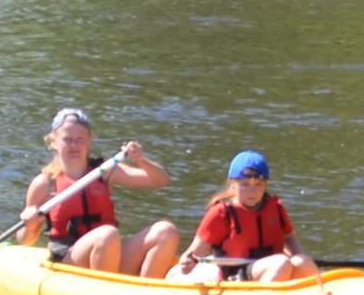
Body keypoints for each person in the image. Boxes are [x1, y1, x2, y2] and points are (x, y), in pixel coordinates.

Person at [21, 111, 177, 276]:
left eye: (80, 139)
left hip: (107, 252)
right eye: (67, 139)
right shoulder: (45, 183)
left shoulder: (104, 172)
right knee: (107, 234)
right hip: (69, 261)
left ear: (89, 141)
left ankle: (147, 293)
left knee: (166, 231)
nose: (74, 145)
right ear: (53, 142)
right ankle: (105, 293)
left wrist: (140, 160)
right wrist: (30, 227)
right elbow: (25, 240)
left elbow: (160, 181)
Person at [176, 150, 316, 285]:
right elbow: (193, 252)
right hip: (236, 274)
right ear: (234, 184)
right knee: (280, 263)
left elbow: (289, 238)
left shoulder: (276, 208)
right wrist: (187, 262)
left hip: (272, 267)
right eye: (245, 185)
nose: (252, 191)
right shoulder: (221, 213)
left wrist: (299, 255)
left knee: (302, 262)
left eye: (258, 184)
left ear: (265, 184)